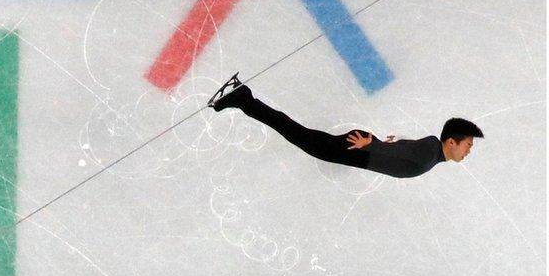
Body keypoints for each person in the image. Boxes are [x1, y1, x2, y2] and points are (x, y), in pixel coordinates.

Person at [207, 74, 482, 178]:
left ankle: (245, 99)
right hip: (358, 149)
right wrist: (373, 144)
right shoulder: (429, 152)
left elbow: (405, 146)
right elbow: (404, 151)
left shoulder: (432, 150)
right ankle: (244, 99)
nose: (468, 151)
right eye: (468, 145)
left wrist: (386, 141)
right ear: (452, 142)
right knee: (297, 134)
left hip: (362, 150)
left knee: (299, 135)